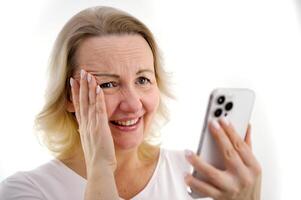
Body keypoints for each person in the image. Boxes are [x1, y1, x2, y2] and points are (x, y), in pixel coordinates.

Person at [0, 6, 262, 200]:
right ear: (70, 97)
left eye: (143, 80)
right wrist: (101, 168)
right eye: (107, 84)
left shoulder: (198, 179)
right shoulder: (26, 190)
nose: (133, 105)